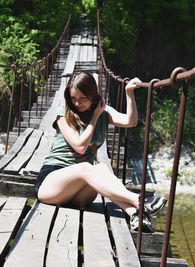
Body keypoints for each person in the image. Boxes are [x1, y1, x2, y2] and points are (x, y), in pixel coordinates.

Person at [34, 72, 166, 232]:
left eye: (82, 98)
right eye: (73, 98)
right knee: (86, 167)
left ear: (92, 95)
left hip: (79, 195)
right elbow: (80, 147)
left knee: (102, 167)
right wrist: (95, 117)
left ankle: (135, 215)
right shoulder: (64, 113)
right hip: (51, 185)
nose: (77, 103)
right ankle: (140, 201)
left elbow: (130, 122)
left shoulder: (104, 111)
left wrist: (129, 93)